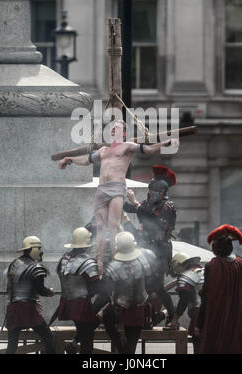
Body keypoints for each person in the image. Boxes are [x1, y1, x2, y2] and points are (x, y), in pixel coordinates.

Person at [58, 120, 178, 275]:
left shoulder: (128, 146)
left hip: (116, 187)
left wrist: (164, 144)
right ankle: (99, 261)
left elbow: (147, 149)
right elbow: (86, 160)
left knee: (114, 224)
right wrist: (70, 159)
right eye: (112, 128)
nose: (114, 129)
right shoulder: (103, 150)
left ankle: (117, 260)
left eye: (118, 128)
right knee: (100, 226)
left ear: (124, 133)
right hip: (102, 189)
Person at [123, 165, 177, 324]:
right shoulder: (149, 203)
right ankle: (149, 317)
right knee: (146, 284)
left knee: (157, 287)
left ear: (161, 193)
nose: (149, 193)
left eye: (152, 190)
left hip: (159, 251)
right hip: (146, 248)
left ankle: (172, 316)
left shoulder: (167, 207)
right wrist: (118, 199)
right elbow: (132, 208)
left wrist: (136, 204)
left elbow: (154, 221)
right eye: (149, 189)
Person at [93, 231, 158, 354]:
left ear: (118, 247)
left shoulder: (113, 267)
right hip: (140, 307)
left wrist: (92, 310)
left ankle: (120, 347)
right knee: (131, 344)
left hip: (121, 309)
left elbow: (105, 294)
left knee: (107, 317)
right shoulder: (145, 259)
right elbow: (152, 284)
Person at [195, 224, 242, 354]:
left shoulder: (212, 266)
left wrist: (199, 323)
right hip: (238, 321)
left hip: (217, 321)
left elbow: (206, 297)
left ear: (215, 248)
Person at [5, 236, 55, 354]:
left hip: (13, 307)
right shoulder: (36, 267)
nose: (41, 251)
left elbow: (11, 288)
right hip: (27, 310)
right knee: (48, 337)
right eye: (39, 248)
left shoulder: (14, 264)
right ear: (33, 249)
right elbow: (40, 289)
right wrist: (50, 292)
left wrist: (31, 300)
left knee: (12, 345)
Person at [56, 227, 101, 354]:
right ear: (86, 245)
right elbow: (96, 286)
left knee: (84, 331)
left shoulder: (64, 258)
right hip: (81, 305)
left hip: (68, 302)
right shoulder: (87, 261)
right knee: (87, 340)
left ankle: (74, 343)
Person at [169, 252, 204, 353]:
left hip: (198, 314)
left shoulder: (185, 276)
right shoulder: (204, 270)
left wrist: (175, 320)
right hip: (215, 313)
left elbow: (184, 300)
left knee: (198, 346)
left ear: (180, 264)